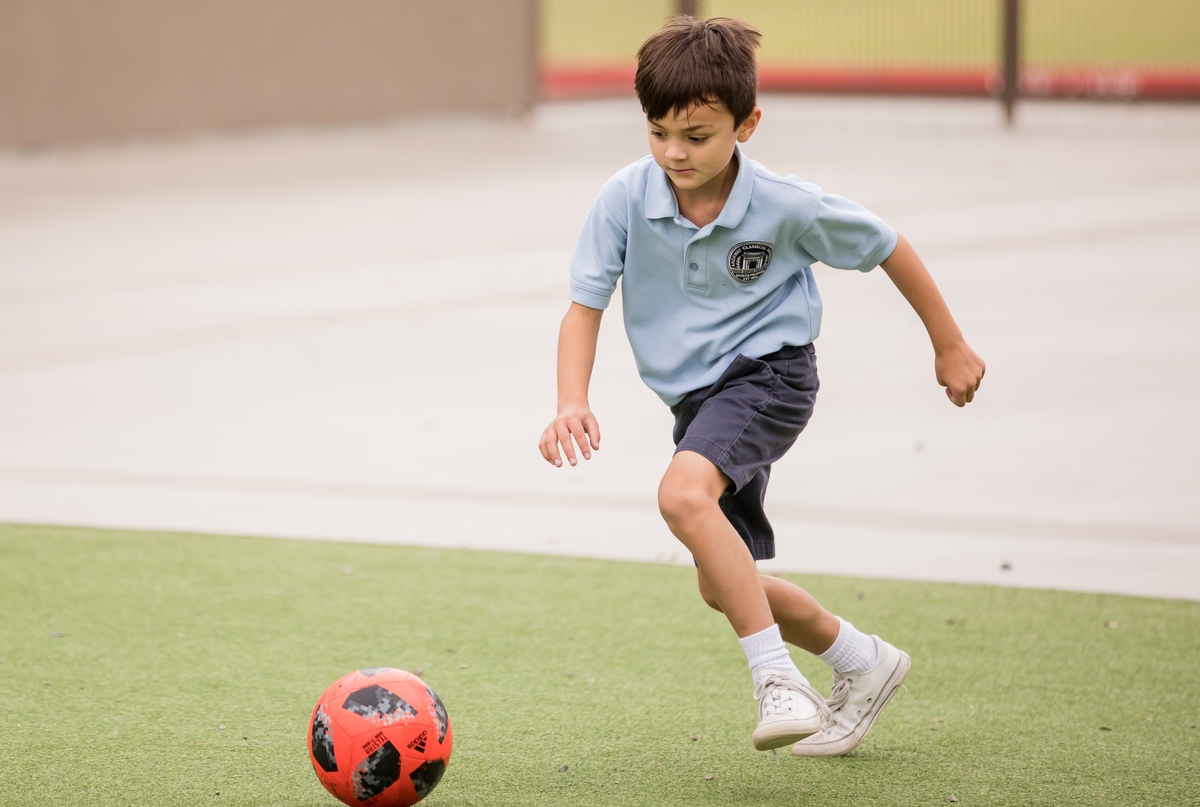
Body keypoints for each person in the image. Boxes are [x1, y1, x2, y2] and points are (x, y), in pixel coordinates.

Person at [537, 15, 985, 757]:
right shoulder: (624, 197)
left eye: (698, 135)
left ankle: (778, 679)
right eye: (658, 132)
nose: (674, 153)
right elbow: (583, 308)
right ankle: (861, 660)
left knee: (681, 495)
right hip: (698, 401)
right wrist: (571, 398)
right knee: (724, 582)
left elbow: (886, 246)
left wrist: (950, 343)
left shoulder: (787, 203)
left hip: (771, 375)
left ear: (747, 124)